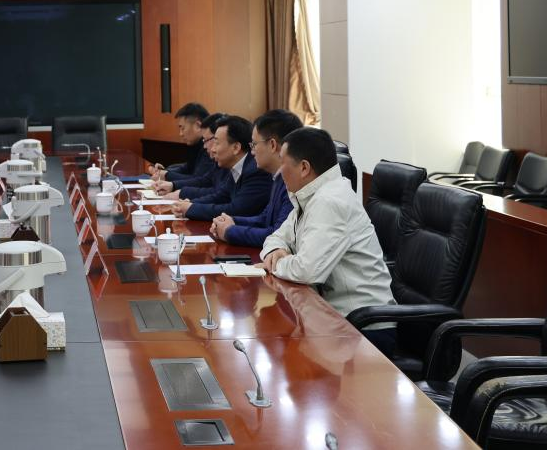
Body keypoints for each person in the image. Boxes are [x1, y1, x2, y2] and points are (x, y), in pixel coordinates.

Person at [257, 127, 396, 356]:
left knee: (283, 354)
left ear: (304, 168)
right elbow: (275, 237)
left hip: (364, 328)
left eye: (283, 162)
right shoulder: (309, 196)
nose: (279, 170)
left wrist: (275, 263)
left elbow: (307, 271)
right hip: (330, 317)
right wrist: (277, 250)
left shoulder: (330, 201)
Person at [209, 109, 301, 246]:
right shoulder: (278, 177)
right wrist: (231, 221)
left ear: (272, 145)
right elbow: (265, 218)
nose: (252, 152)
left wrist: (229, 231)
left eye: (254, 144)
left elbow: (277, 235)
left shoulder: (293, 182)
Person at [168, 115, 272, 221]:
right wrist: (190, 204)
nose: (213, 149)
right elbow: (221, 196)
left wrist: (191, 208)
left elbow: (237, 210)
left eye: (217, 143)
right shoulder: (238, 166)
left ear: (236, 147)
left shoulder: (256, 171)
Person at [154, 112, 227, 196]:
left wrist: (180, 192)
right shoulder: (198, 146)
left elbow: (219, 194)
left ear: (236, 147)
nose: (180, 134)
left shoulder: (225, 161)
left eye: (183, 128)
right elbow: (205, 180)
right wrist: (172, 184)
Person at [149, 103, 214, 187]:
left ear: (198, 126)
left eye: (183, 128)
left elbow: (198, 180)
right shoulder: (196, 145)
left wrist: (166, 175)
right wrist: (163, 171)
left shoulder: (210, 147)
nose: (181, 134)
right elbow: (187, 169)